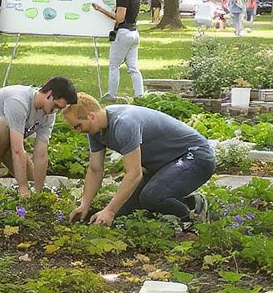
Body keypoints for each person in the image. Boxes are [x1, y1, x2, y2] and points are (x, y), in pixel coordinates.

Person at [64, 93, 214, 232]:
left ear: (91, 116)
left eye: (78, 126)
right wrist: (85, 205)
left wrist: (109, 210)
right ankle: (178, 200)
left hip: (195, 157)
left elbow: (134, 173)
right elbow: (95, 170)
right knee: (122, 215)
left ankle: (192, 214)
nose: (77, 131)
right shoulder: (96, 130)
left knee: (151, 197)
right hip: (165, 165)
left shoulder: (124, 123)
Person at [0, 77, 77, 195]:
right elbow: (17, 150)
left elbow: (41, 153)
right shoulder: (18, 101)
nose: (56, 112)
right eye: (56, 107)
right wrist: (23, 187)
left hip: (7, 142)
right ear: (49, 95)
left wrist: (39, 190)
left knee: (32, 179)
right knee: (3, 125)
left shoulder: (49, 113)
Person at [92, 0, 144, 100]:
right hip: (134, 32)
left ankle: (112, 94)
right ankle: (140, 94)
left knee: (114, 65)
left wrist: (101, 9)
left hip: (124, 33)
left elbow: (120, 18)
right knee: (133, 67)